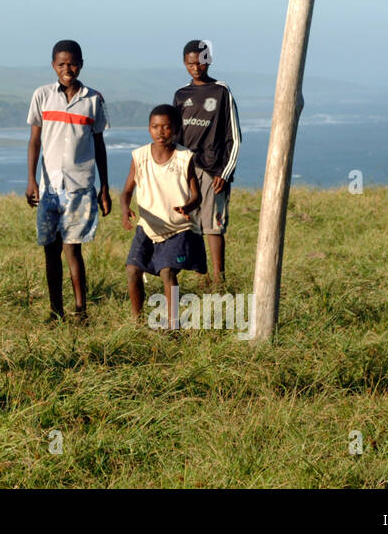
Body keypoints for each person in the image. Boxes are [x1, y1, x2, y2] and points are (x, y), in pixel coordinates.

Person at [25, 40, 110, 324]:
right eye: (61, 64)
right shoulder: (42, 95)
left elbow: (99, 145)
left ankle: (80, 310)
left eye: (72, 63)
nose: (67, 69)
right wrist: (31, 181)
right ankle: (55, 310)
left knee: (73, 248)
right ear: (53, 65)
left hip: (80, 186)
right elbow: (35, 140)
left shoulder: (93, 99)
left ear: (81, 64)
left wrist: (105, 187)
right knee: (50, 249)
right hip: (49, 187)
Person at [120, 105, 205, 327]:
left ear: (176, 129)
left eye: (167, 127)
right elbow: (127, 190)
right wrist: (125, 209)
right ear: (149, 128)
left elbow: (197, 194)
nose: (161, 132)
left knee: (167, 271)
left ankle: (173, 324)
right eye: (155, 127)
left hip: (178, 228)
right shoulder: (140, 156)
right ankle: (137, 321)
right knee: (132, 270)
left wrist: (188, 206)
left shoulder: (184, 157)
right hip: (148, 226)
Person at [172, 39, 242, 286]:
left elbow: (234, 136)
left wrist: (225, 171)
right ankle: (202, 277)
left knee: (214, 225)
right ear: (185, 63)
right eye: (191, 63)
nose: (196, 68)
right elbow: (174, 136)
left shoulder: (221, 91)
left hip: (214, 170)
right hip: (187, 170)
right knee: (192, 224)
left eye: (200, 63)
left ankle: (219, 278)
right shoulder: (181, 95)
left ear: (208, 62)